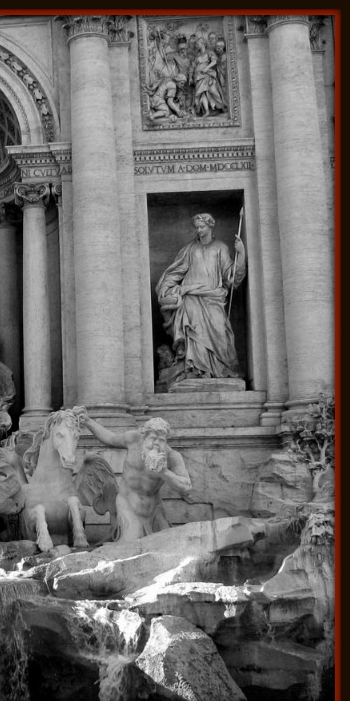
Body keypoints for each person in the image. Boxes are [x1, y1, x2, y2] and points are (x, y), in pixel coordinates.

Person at [156, 213, 246, 382]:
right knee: (193, 332)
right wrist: (166, 286)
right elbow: (177, 271)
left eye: (202, 227)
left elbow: (232, 277)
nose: (199, 230)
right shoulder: (190, 249)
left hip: (213, 297)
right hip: (191, 296)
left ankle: (220, 369)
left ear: (210, 226)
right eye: (196, 228)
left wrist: (241, 254)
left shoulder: (221, 247)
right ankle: (195, 369)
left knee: (220, 331)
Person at [76, 410, 191, 542]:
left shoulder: (172, 457)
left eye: (161, 440)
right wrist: (88, 421)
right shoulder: (133, 440)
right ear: (144, 437)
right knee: (131, 546)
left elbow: (186, 487)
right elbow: (110, 438)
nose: (156, 444)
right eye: (153, 438)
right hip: (127, 504)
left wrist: (164, 472)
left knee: (166, 546)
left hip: (153, 508)